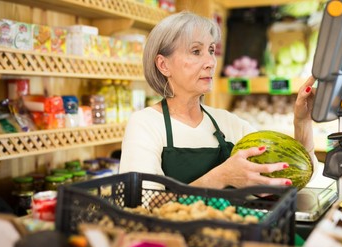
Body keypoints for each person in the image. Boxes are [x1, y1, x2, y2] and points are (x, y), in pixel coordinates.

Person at [119, 11, 318, 189]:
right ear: (163, 65)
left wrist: (302, 123)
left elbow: (296, 173)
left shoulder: (229, 124)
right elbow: (141, 206)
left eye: (211, 51)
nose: (211, 62)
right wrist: (220, 177)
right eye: (196, 51)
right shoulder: (146, 124)